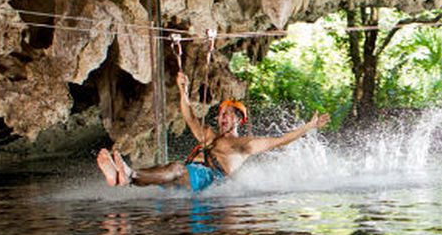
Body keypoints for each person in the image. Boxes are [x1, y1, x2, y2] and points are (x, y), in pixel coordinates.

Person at [96, 72, 330, 192]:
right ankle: (126, 176)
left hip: (210, 180)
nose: (221, 117)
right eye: (220, 113)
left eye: (227, 113)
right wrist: (183, 90)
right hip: (189, 176)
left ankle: (129, 175)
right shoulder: (208, 136)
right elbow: (188, 116)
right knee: (171, 169)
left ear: (238, 119)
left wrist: (309, 127)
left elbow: (280, 141)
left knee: (176, 169)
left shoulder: (243, 145)